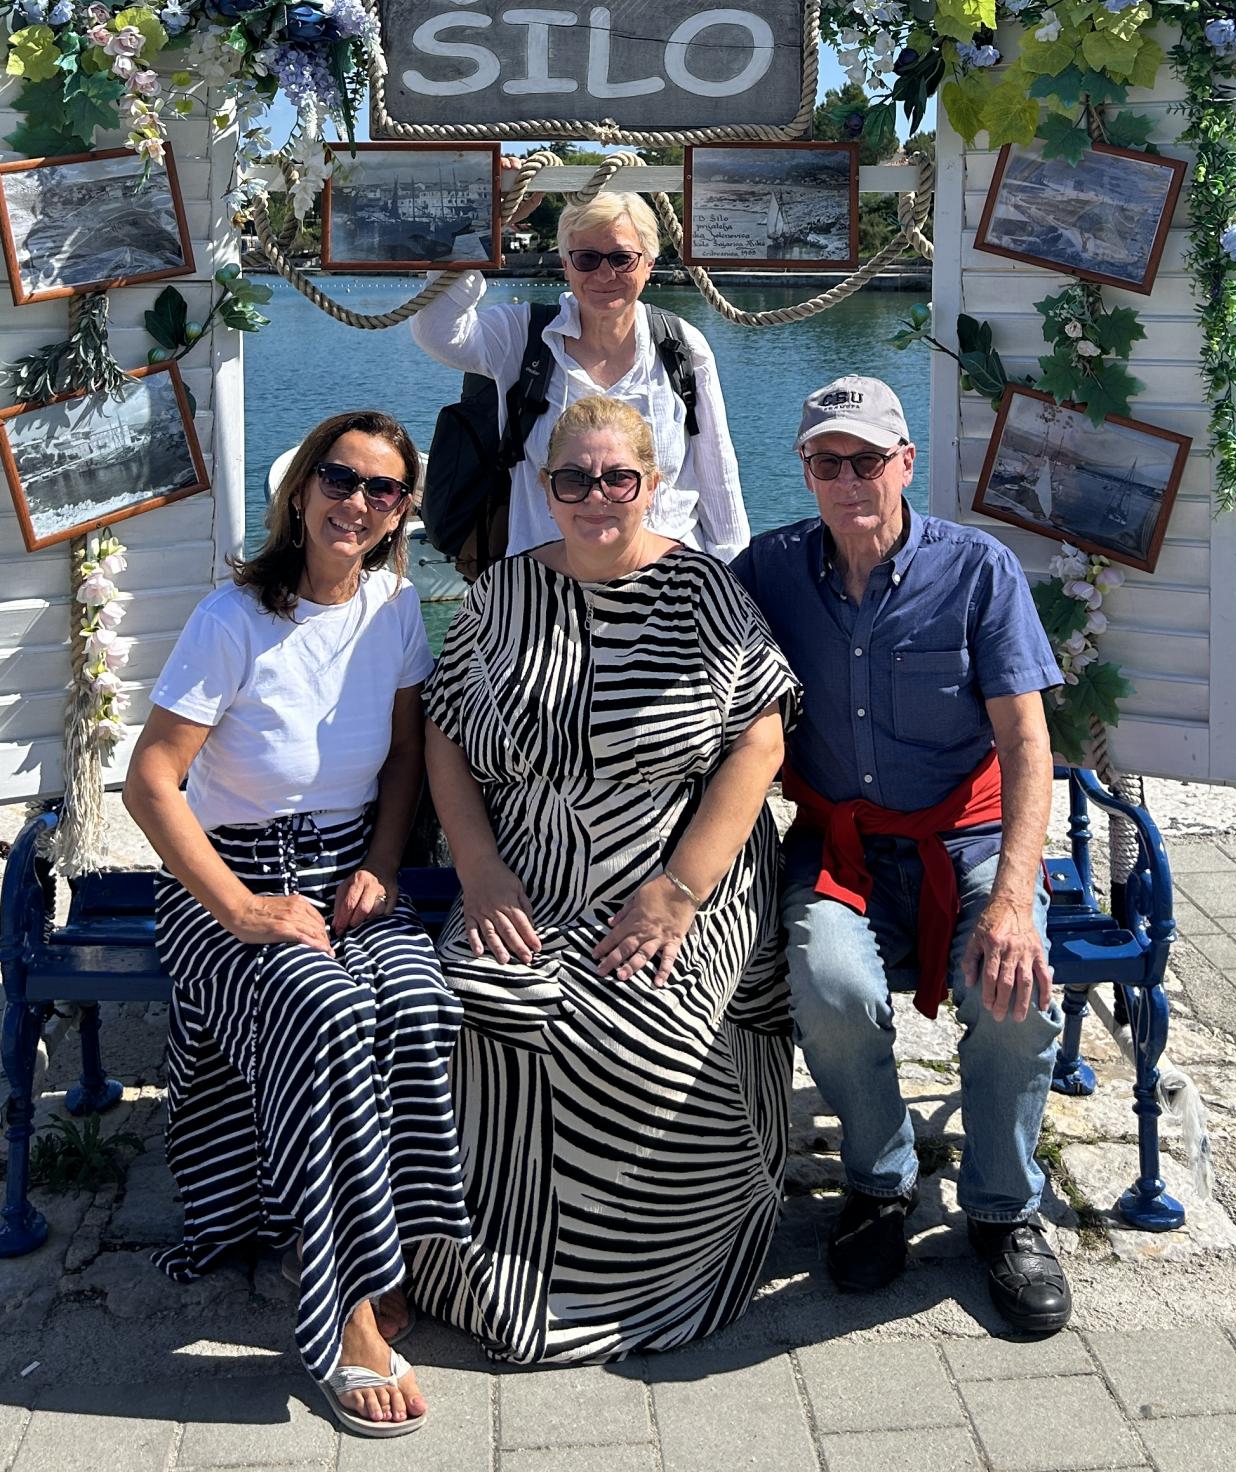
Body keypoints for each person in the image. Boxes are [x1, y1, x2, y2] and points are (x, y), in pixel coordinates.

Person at [409, 394, 798, 1363]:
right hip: (530, 869)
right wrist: (480, 869)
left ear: (651, 484)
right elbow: (445, 735)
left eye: (618, 478)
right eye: (574, 479)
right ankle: (484, 1274)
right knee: (466, 1002)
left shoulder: (703, 592)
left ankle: (656, 1277)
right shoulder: (501, 594)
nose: (596, 496)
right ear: (546, 489)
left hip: (679, 864)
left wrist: (680, 891)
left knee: (648, 1031)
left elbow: (761, 740)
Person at [124, 410, 470, 1437]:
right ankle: (345, 1312)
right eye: (340, 478)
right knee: (326, 1015)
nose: (357, 502)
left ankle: (387, 1249)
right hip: (229, 888)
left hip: (349, 874)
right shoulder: (232, 619)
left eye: (382, 489)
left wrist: (380, 865)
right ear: (303, 487)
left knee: (420, 1002)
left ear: (402, 512)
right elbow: (151, 782)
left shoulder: (394, 608)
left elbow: (403, 760)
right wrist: (238, 907)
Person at [732, 374, 1072, 1337]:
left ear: (906, 464)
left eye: (868, 460)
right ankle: (880, 1183)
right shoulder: (767, 571)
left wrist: (1012, 899)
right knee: (829, 986)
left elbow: (1028, 744)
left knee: (1014, 994)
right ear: (805, 469)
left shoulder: (978, 570)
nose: (849, 480)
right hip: (841, 844)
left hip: (968, 838)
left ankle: (1004, 1210)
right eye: (826, 462)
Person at [410, 184, 749, 559]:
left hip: (670, 583)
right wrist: (488, 220)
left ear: (649, 263)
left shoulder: (681, 345)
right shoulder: (523, 335)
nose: (604, 274)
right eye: (587, 258)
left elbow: (718, 476)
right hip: (544, 582)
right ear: (566, 263)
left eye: (621, 258)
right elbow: (438, 331)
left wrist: (731, 572)